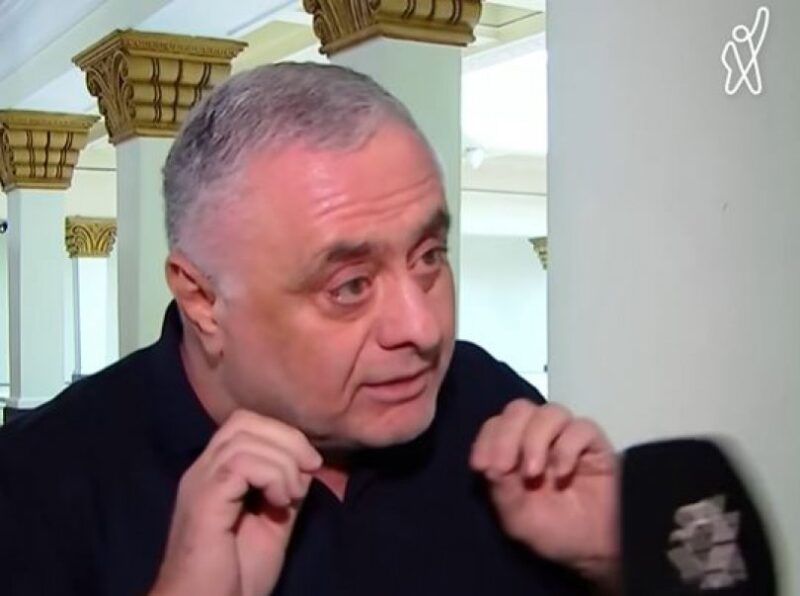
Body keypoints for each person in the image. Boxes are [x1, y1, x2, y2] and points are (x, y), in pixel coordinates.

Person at [0, 63, 619, 596]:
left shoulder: (487, 402)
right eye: (350, 286)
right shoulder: (32, 486)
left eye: (429, 256)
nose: (423, 329)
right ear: (202, 299)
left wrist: (613, 562)